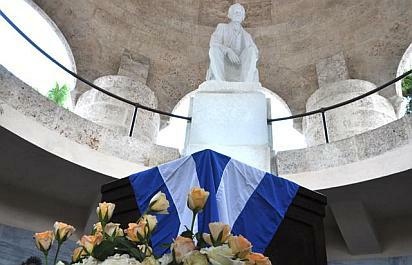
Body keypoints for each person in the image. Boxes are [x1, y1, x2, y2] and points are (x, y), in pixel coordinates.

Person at [206, 3, 259, 82]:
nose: (238, 14)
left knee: (251, 51)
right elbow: (213, 43)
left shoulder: (247, 35)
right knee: (213, 50)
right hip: (223, 64)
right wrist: (227, 50)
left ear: (243, 17)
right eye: (235, 12)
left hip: (240, 65)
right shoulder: (222, 27)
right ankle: (221, 83)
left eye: (240, 12)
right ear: (230, 15)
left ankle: (245, 85)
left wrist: (250, 52)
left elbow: (256, 53)